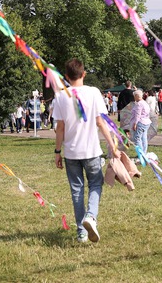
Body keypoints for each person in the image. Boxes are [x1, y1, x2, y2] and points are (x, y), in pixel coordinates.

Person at [53, 59, 120, 243]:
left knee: (77, 190)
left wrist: (57, 151)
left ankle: (81, 232)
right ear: (84, 74)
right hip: (91, 151)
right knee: (96, 185)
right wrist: (112, 146)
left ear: (66, 77)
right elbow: (101, 122)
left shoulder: (60, 96)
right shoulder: (93, 92)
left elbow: (60, 128)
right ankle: (90, 216)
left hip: (71, 153)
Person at [130, 90, 151, 155]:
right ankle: (144, 152)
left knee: (137, 138)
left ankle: (141, 154)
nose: (134, 98)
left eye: (134, 96)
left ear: (136, 96)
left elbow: (138, 115)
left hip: (141, 122)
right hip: (146, 122)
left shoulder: (139, 104)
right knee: (144, 138)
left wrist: (135, 123)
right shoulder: (144, 103)